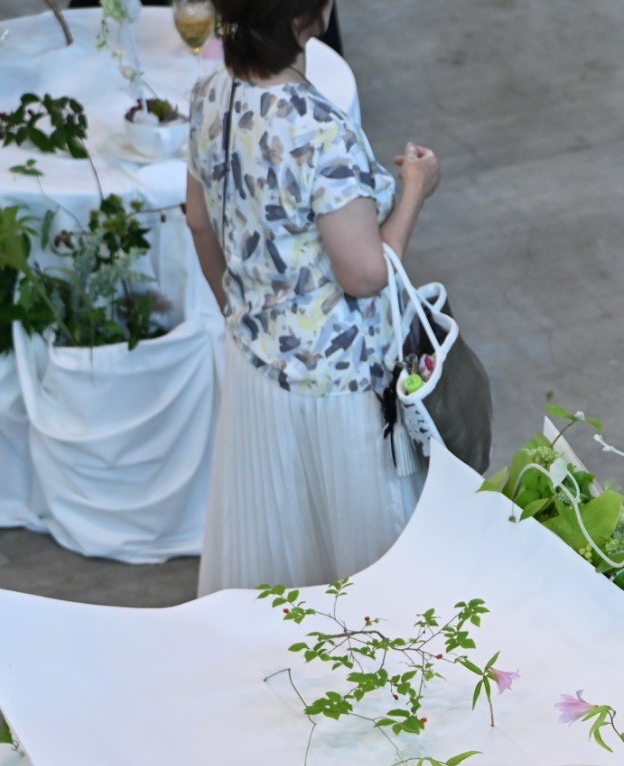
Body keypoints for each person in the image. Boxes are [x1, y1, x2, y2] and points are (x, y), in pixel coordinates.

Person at [186, 0, 441, 594]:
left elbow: (200, 221)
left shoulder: (209, 95)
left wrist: (241, 312)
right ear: (315, 16)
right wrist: (414, 192)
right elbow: (366, 275)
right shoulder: (319, 128)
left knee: (275, 561)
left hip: (256, 371)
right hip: (336, 388)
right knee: (365, 583)